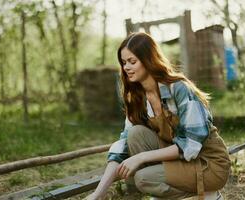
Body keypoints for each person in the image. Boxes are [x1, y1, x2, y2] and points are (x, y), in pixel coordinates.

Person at [85, 32, 231, 200]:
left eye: (132, 62)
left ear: (149, 60)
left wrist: (141, 157)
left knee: (143, 178)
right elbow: (122, 146)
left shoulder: (179, 89)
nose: (126, 67)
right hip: (182, 163)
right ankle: (163, 188)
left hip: (209, 164)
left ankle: (208, 195)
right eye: (124, 63)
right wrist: (98, 194)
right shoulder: (137, 98)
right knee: (135, 134)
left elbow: (190, 145)